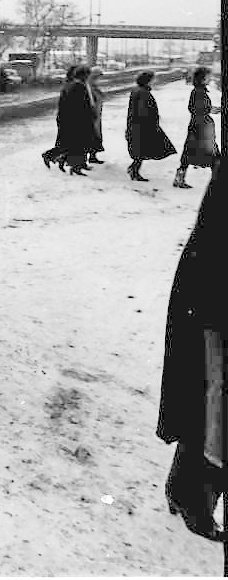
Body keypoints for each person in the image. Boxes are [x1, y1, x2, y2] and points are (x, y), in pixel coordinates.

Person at [157, 165, 226, 542]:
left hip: (206, 296)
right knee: (214, 410)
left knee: (206, 405)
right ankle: (196, 500)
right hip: (212, 302)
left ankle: (184, 492)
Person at [173, 66, 221, 189]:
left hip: (198, 126)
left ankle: (179, 178)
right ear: (203, 79)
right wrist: (211, 109)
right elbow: (196, 108)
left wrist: (212, 109)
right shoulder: (199, 92)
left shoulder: (199, 91)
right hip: (201, 127)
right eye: (209, 76)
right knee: (214, 155)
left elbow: (198, 108)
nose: (211, 78)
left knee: (190, 153)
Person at [125, 71, 177, 182]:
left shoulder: (138, 90)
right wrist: (152, 122)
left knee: (141, 149)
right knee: (142, 149)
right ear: (148, 80)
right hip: (143, 126)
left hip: (137, 124)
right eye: (153, 79)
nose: (155, 80)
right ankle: (134, 172)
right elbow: (143, 111)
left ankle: (133, 169)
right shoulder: (143, 93)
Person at [54, 64, 96, 176]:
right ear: (84, 75)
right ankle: (75, 167)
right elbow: (82, 106)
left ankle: (74, 165)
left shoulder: (70, 85)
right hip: (79, 120)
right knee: (79, 145)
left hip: (72, 119)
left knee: (76, 145)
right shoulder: (79, 87)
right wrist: (90, 116)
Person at [42, 65, 79, 171]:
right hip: (66, 118)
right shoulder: (71, 85)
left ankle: (60, 160)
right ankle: (49, 155)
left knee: (65, 142)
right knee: (66, 142)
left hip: (64, 117)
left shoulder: (68, 84)